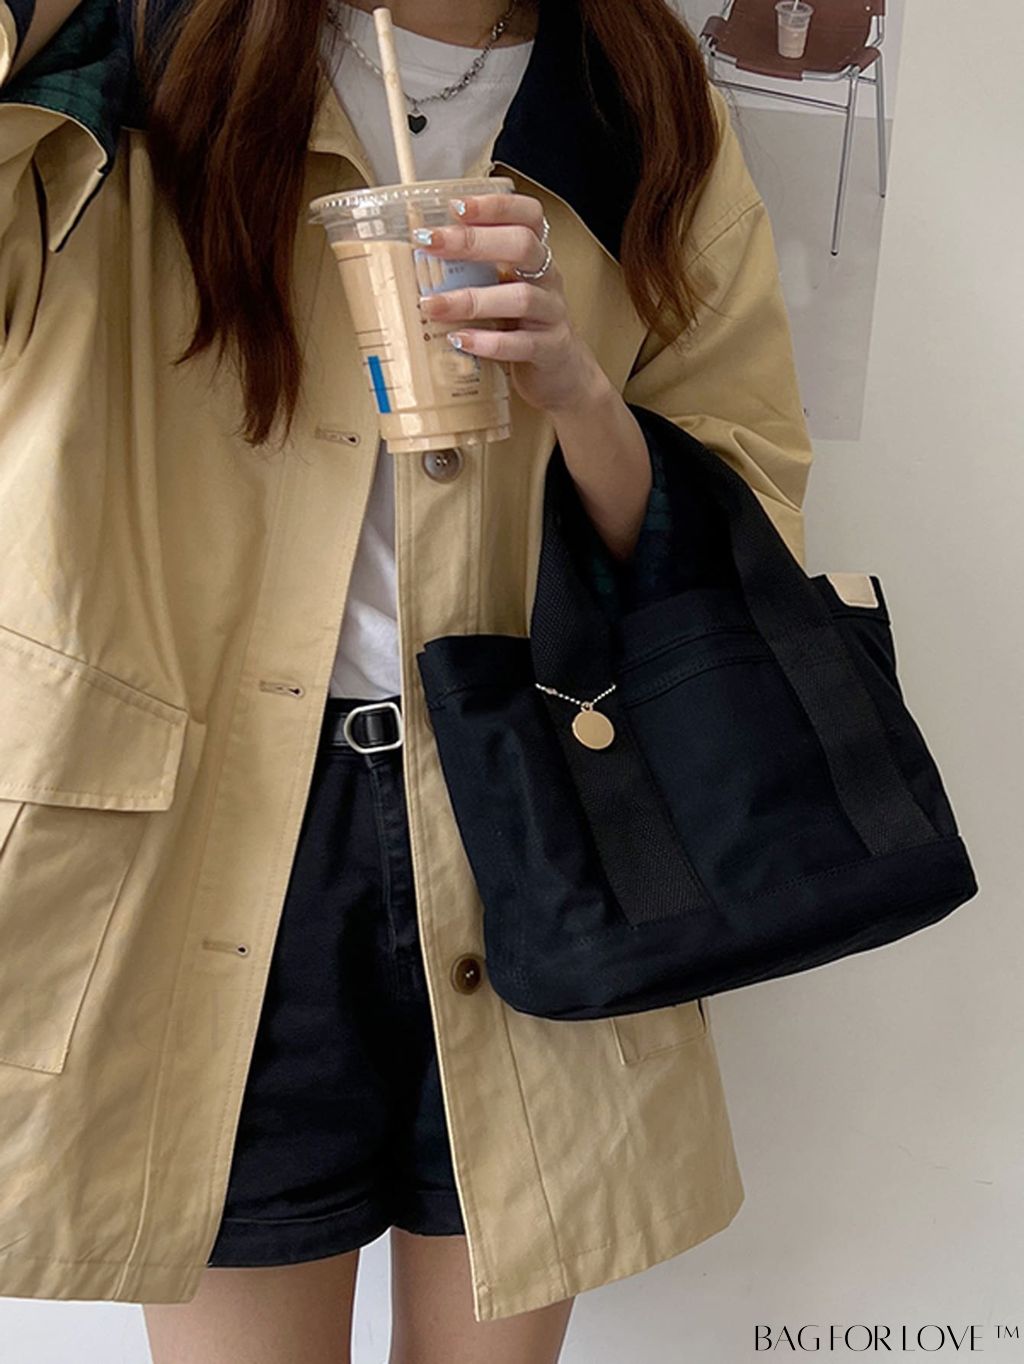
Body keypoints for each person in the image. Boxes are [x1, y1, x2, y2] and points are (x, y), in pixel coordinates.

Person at [0, 0, 814, 1360]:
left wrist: (578, 393)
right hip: (199, 835)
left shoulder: (633, 94)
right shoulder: (137, 54)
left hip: (534, 816)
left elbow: (748, 508)